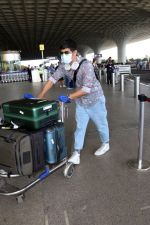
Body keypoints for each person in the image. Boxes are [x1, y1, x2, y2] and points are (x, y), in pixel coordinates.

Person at [38, 39, 110, 165]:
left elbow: (87, 89)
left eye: (66, 53)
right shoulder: (64, 66)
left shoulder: (86, 65)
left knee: (101, 125)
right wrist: (40, 95)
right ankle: (76, 153)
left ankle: (105, 143)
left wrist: (69, 97)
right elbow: (52, 79)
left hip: (95, 100)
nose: (63, 55)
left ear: (75, 53)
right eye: (62, 53)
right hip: (81, 102)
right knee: (80, 127)